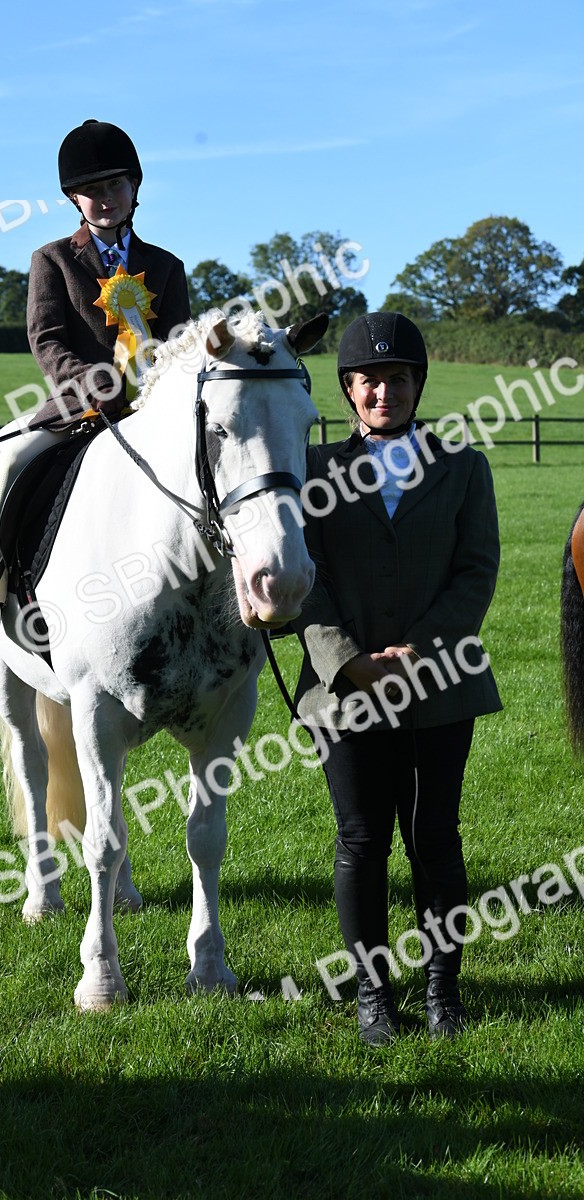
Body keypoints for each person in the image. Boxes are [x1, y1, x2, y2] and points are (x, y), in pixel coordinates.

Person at [292, 311, 502, 1046]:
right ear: (349, 391)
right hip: (344, 690)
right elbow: (303, 579)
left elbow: (476, 572)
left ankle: (443, 991)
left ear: (418, 384)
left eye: (398, 378)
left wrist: (420, 649)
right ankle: (372, 994)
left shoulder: (465, 469)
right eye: (369, 380)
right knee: (360, 841)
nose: (384, 391)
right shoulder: (315, 473)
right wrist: (346, 658)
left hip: (441, 683)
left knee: (436, 839)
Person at [0, 119, 191, 646]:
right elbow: (47, 338)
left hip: (153, 410)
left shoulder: (167, 267)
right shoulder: (52, 259)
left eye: (114, 186)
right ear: (74, 199)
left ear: (135, 189)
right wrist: (93, 383)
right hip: (79, 409)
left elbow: (180, 342)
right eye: (92, 190)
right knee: (2, 463)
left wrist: (157, 389)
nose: (105, 198)